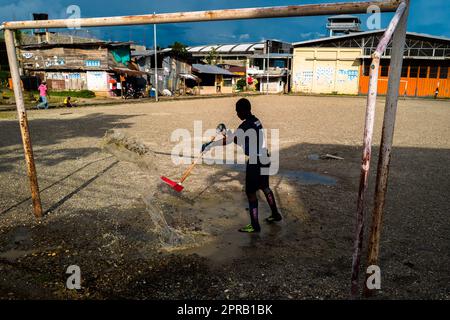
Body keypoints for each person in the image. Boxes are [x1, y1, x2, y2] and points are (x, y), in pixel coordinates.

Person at [202, 98, 282, 233]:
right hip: (265, 158)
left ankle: (255, 225)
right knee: (265, 187)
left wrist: (210, 145)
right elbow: (237, 139)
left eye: (238, 111)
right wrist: (225, 132)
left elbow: (230, 140)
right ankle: (275, 214)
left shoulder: (245, 125)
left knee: (250, 193)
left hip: (255, 161)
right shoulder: (256, 120)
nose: (237, 114)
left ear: (244, 111)